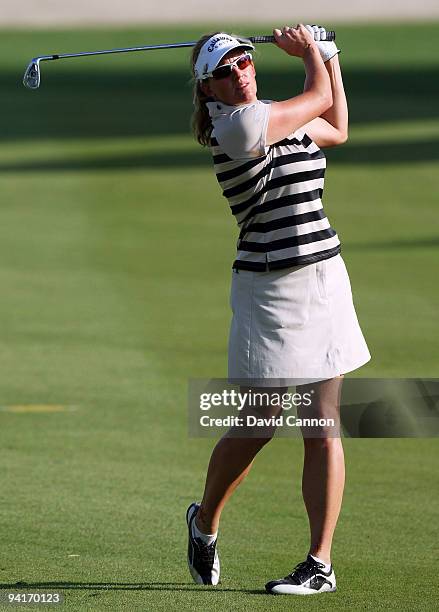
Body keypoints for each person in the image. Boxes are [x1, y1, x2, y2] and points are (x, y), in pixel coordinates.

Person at [186, 25, 370, 595]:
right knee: (259, 424)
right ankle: (205, 520)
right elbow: (316, 100)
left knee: (323, 426)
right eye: (225, 70)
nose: (240, 73)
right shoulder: (237, 127)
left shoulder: (272, 112)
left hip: (324, 281)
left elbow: (334, 127)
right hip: (269, 295)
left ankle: (320, 563)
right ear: (208, 90)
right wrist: (313, 54)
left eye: (243, 61)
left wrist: (331, 57)